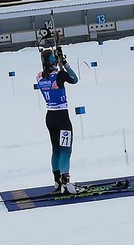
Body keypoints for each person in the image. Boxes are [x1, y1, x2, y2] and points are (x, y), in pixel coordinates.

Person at [36, 47, 84, 194]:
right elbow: (75, 79)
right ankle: (66, 183)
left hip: (50, 117)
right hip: (62, 118)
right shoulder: (60, 75)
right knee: (66, 150)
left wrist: (58, 61)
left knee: (56, 149)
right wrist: (65, 63)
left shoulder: (39, 76)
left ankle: (57, 181)